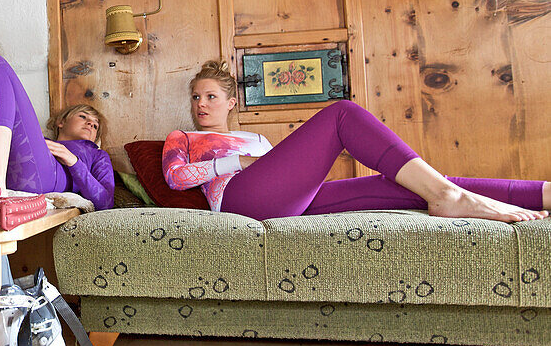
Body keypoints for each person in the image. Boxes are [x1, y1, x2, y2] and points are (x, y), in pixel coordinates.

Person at [162, 60, 549, 223]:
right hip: (236, 201)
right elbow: (176, 178)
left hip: (288, 202)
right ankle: (449, 196)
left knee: (398, 186)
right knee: (342, 115)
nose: (201, 104)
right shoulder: (182, 137)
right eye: (196, 97)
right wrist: (236, 164)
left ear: (231, 102)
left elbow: (286, 178)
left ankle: (544, 193)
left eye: (211, 96)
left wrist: (256, 158)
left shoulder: (255, 138)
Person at [0, 52, 114, 211]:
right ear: (61, 122)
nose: (91, 124)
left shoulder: (97, 155)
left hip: (43, 177)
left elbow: (106, 202)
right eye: (83, 117)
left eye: (95, 125)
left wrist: (73, 161)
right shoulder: (37, 141)